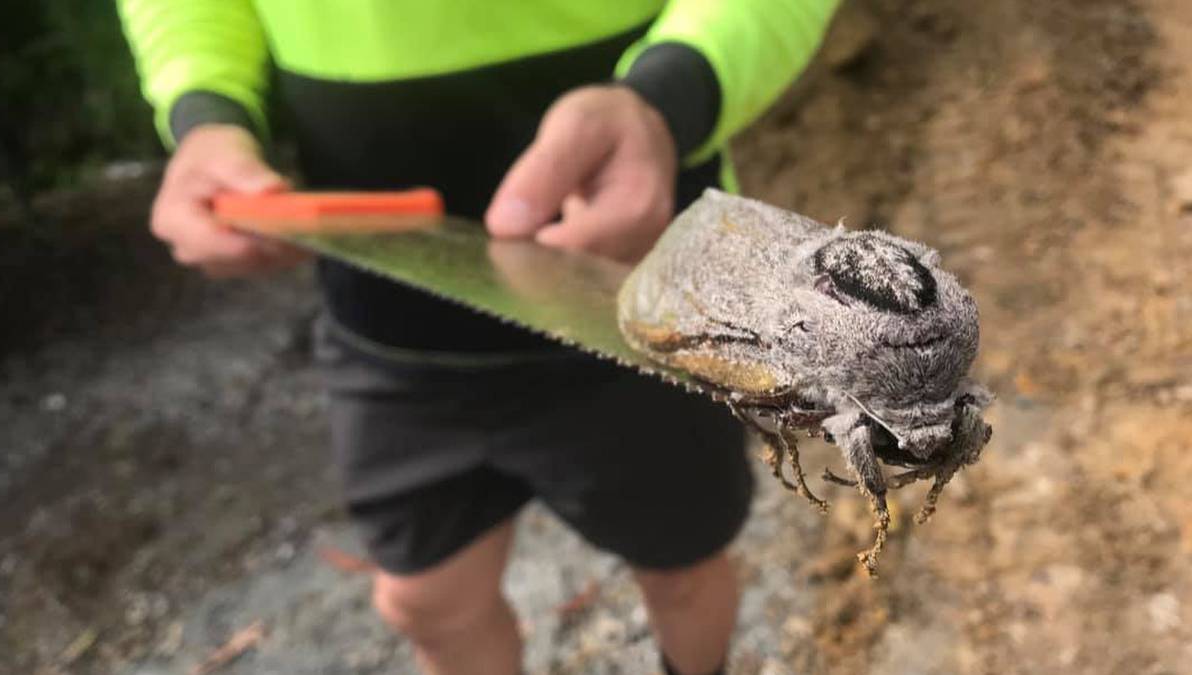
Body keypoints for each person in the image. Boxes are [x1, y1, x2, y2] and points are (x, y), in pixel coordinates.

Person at [117, 2, 840, 673]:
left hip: (637, 305)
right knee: (427, 603)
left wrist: (669, 97)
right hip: (387, 326)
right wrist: (205, 111)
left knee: (685, 567)